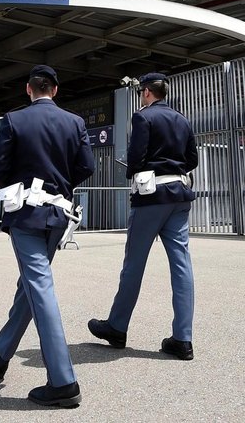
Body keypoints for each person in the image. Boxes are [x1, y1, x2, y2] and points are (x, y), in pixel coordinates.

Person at [0, 64, 95, 408]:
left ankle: (63, 381)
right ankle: (2, 349)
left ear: (28, 89)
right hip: (59, 216)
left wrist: (18, 187)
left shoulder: (15, 120)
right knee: (33, 284)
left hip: (27, 215)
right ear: (55, 90)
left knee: (39, 287)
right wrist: (60, 186)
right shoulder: (74, 122)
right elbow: (86, 166)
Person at [88, 72, 199, 360]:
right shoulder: (182, 119)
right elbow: (193, 160)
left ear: (147, 92)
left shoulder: (143, 118)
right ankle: (182, 338)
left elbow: (136, 157)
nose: (140, 96)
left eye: (141, 92)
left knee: (134, 264)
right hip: (179, 195)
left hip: (151, 198)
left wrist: (135, 169)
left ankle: (117, 326)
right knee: (181, 265)